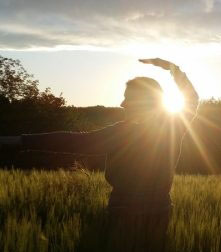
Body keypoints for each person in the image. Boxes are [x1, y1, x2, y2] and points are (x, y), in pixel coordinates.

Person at [0, 58, 199, 251]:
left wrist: (21, 140)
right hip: (160, 211)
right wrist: (173, 69)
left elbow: (73, 141)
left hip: (124, 211)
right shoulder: (173, 127)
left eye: (128, 98)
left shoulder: (121, 133)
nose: (122, 103)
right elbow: (191, 98)